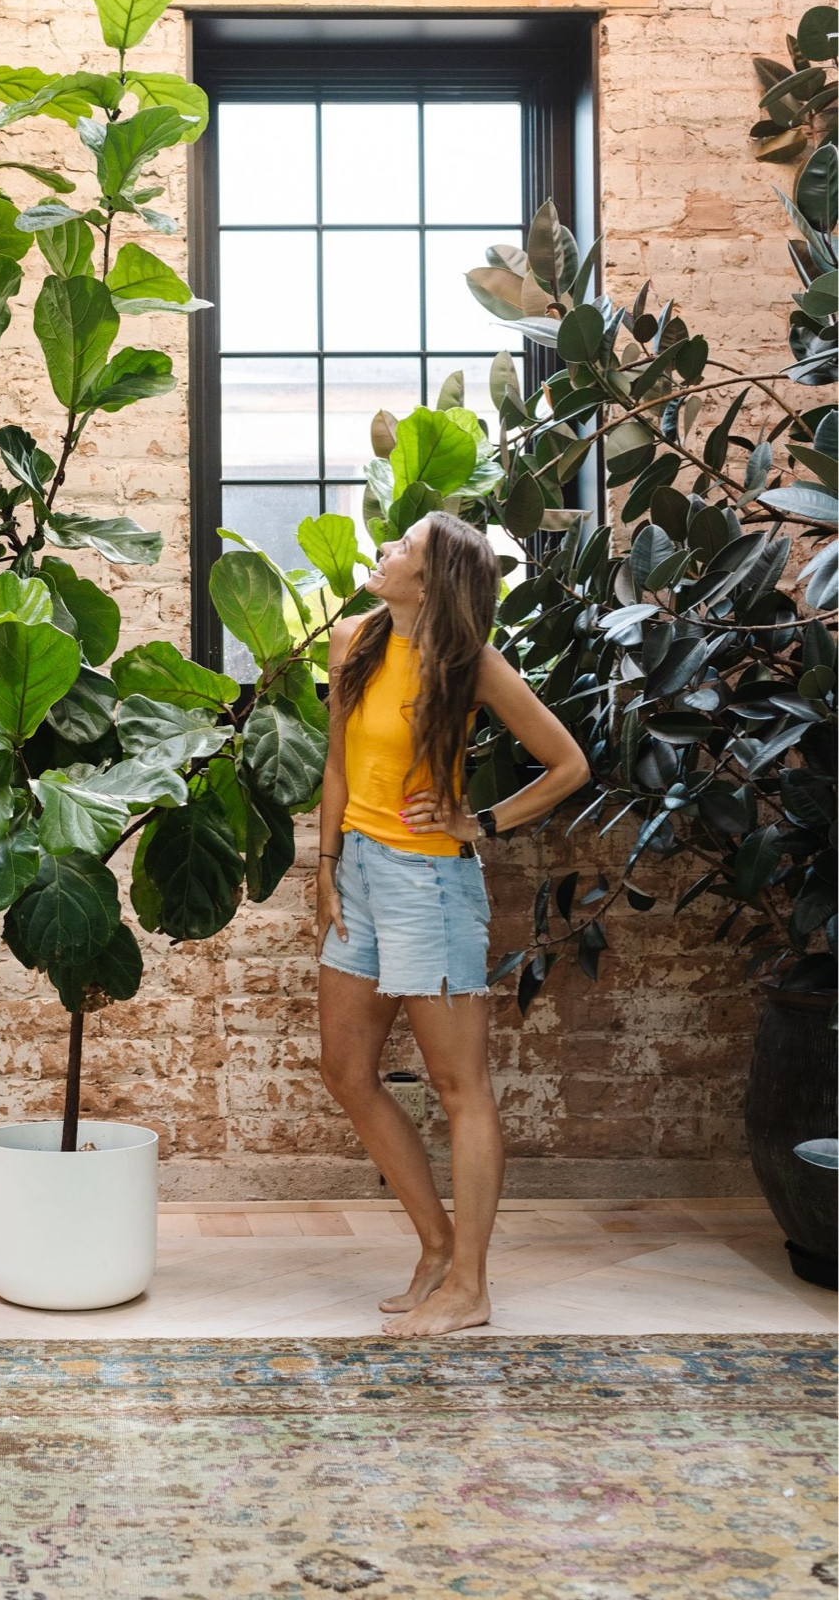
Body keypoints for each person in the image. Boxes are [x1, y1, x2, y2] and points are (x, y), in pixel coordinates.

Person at [315, 511, 590, 1337]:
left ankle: (470, 1285)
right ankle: (437, 1248)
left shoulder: (472, 664)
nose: (384, 550)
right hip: (359, 874)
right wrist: (325, 866)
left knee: (459, 1086)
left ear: (432, 582)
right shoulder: (354, 639)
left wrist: (484, 823)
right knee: (346, 1071)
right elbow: (337, 765)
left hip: (430, 883)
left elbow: (568, 764)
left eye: (403, 547)